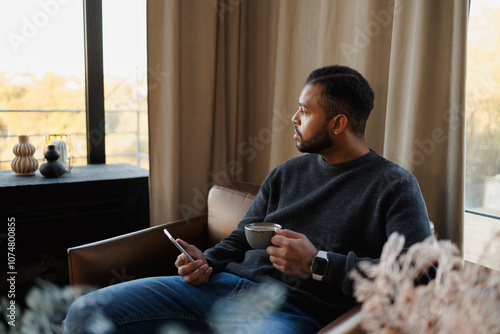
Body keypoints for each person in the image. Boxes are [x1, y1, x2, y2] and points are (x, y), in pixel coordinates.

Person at [64, 65, 433, 334]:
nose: (294, 118)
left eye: (305, 111)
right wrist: (204, 261)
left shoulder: (394, 185)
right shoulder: (287, 173)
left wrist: (318, 263)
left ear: (337, 124)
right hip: (216, 288)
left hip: (288, 311)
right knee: (84, 312)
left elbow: (422, 272)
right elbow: (242, 238)